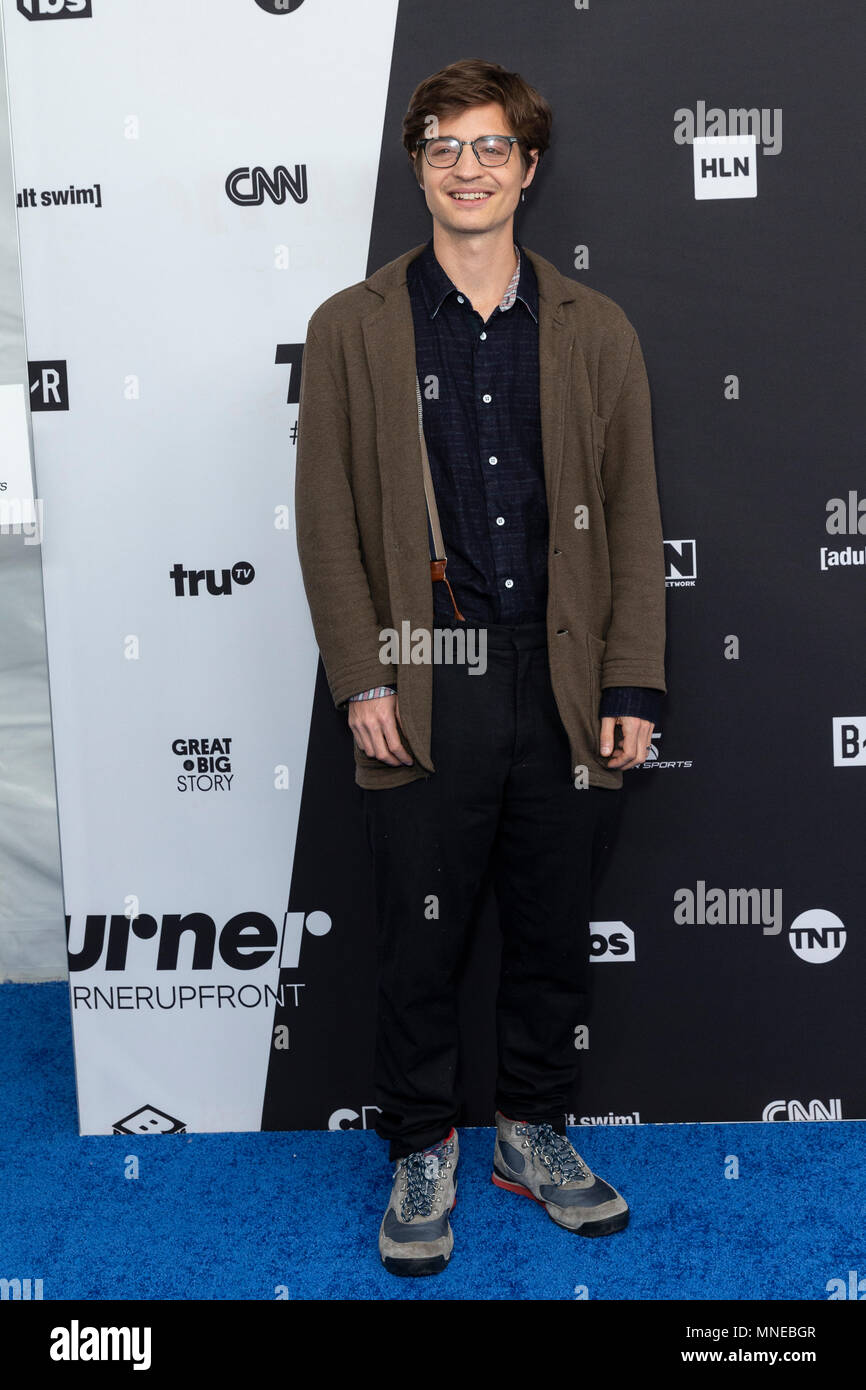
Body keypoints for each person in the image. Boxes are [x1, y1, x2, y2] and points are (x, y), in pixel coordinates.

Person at [295, 58, 666, 1277]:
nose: (468, 166)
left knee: (553, 932)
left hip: (557, 678)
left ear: (527, 167)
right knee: (419, 937)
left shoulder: (591, 328)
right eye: (444, 145)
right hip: (421, 667)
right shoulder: (354, 326)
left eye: (490, 146)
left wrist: (629, 681)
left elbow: (626, 513)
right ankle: (418, 1146)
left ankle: (532, 1133)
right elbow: (327, 520)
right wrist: (364, 677)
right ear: (416, 164)